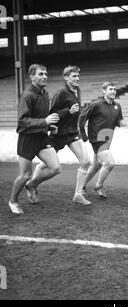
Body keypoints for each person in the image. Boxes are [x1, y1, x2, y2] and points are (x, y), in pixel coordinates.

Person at [28, 65, 91, 206]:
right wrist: (68, 111)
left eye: (78, 76)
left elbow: (75, 111)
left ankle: (78, 195)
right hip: (58, 133)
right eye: (74, 76)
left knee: (86, 161)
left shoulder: (77, 90)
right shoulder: (61, 92)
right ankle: (32, 185)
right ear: (66, 78)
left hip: (72, 132)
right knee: (46, 165)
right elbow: (51, 114)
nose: (77, 79)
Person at [8, 64, 61, 215]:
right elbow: (22, 122)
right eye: (41, 74)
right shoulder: (27, 95)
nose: (45, 76)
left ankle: (32, 185)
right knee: (24, 175)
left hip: (42, 137)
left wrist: (49, 127)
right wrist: (45, 122)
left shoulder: (45, 93)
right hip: (27, 139)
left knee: (56, 168)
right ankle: (13, 201)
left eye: (45, 74)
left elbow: (42, 118)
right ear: (32, 77)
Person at [79, 81, 127, 198]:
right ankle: (98, 186)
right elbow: (82, 118)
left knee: (96, 166)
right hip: (96, 139)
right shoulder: (96, 104)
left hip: (107, 139)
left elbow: (118, 121)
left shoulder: (117, 106)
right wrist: (84, 135)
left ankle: (81, 186)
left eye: (114, 89)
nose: (113, 91)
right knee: (110, 163)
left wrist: (122, 123)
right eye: (110, 89)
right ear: (104, 91)